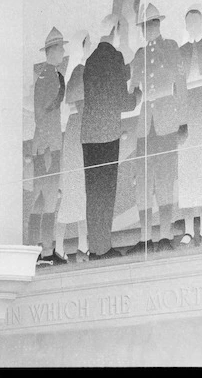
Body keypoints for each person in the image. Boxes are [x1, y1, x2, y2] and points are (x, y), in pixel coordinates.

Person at [127, 4, 188, 255]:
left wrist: (183, 121)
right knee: (143, 181)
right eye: (144, 26)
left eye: (152, 24)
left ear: (159, 24)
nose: (148, 29)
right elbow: (134, 90)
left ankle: (164, 235)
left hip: (166, 123)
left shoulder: (171, 47)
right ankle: (144, 238)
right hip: (145, 126)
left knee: (164, 180)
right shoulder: (138, 55)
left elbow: (181, 85)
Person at [81, 20, 141, 260]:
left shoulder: (90, 61)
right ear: (115, 32)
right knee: (106, 192)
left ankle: (96, 247)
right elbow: (122, 102)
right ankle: (104, 247)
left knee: (93, 192)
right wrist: (136, 94)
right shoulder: (114, 57)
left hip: (89, 136)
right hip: (107, 135)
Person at [176, 7, 202, 245]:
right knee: (187, 169)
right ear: (186, 25)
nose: (193, 26)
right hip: (186, 110)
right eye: (189, 22)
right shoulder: (180, 52)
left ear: (201, 23)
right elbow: (177, 86)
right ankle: (189, 229)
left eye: (196, 21)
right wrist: (181, 120)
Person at [53, 33, 93, 262]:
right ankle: (59, 246)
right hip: (78, 131)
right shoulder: (79, 71)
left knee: (83, 197)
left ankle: (82, 244)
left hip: (84, 131)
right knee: (71, 196)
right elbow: (75, 100)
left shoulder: (91, 71)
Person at [29, 27, 67, 266]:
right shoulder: (46, 76)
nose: (62, 52)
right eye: (60, 48)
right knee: (43, 199)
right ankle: (39, 252)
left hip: (50, 146)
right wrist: (45, 150)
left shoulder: (54, 74)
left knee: (49, 199)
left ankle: (46, 250)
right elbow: (41, 115)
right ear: (51, 51)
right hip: (46, 148)